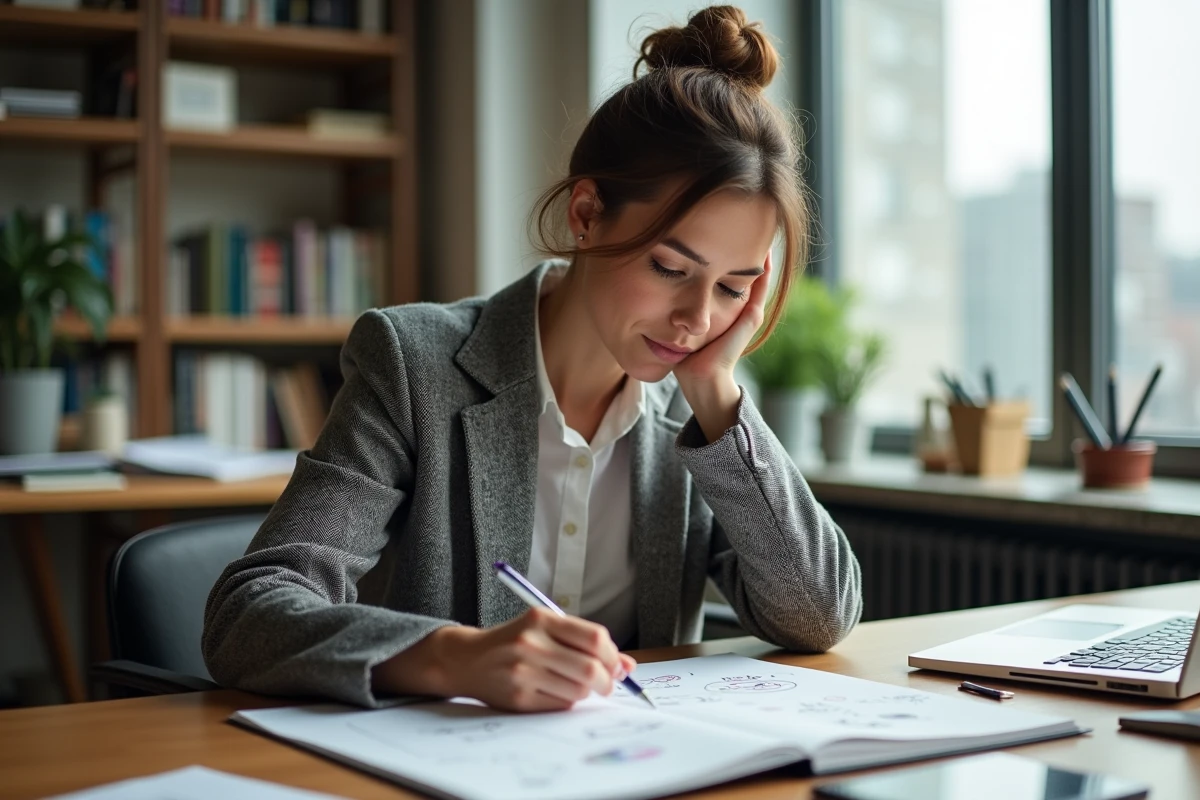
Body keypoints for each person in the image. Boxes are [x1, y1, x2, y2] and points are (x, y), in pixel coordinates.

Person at [203, 5, 862, 713]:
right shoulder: (413, 364)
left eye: (733, 287)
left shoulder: (703, 412)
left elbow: (818, 616)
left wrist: (717, 394)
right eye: (671, 268)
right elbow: (248, 614)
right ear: (586, 215)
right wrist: (453, 657)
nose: (699, 320)